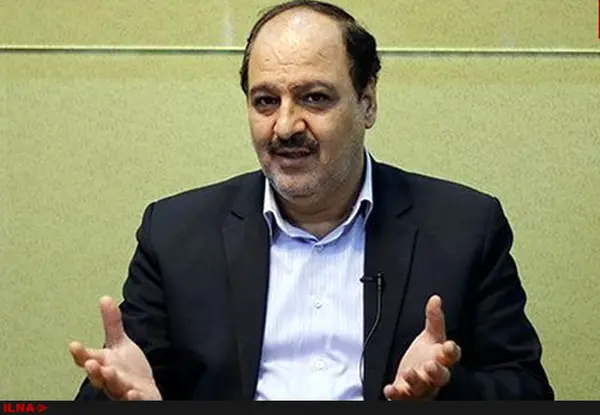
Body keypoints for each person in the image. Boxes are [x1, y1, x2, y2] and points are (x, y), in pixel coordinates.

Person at [69, 0, 554, 401]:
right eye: (265, 101)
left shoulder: (465, 228)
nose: (285, 126)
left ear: (367, 102)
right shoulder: (175, 232)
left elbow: (529, 391)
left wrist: (443, 391)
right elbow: (124, 381)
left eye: (314, 98)